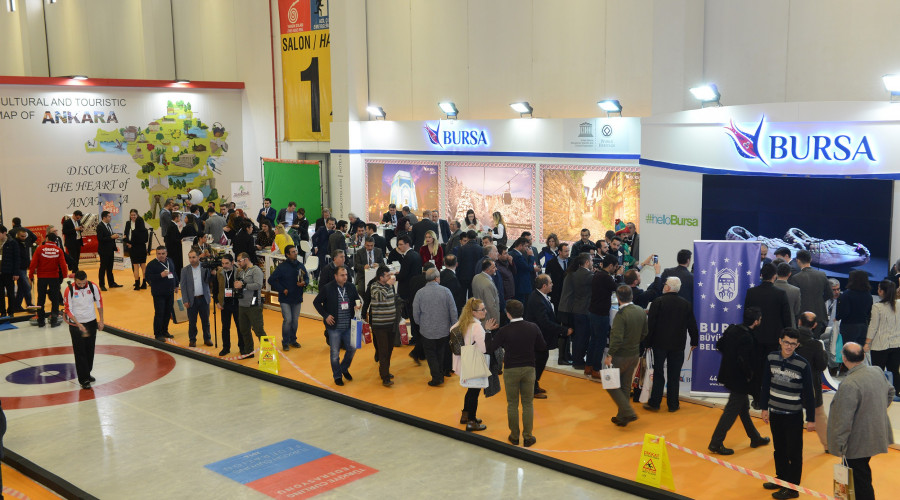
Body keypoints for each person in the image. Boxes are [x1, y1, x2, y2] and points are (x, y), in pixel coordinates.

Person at [828, 342, 896, 500]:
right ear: (863, 356)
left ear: (844, 358)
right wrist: (874, 412)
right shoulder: (876, 371)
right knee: (861, 474)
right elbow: (890, 392)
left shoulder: (849, 384)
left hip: (856, 442)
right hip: (874, 435)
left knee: (860, 480)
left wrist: (838, 446)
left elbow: (842, 420)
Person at [759, 328, 817, 500]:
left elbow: (809, 393)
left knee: (794, 452)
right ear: (780, 341)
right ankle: (781, 479)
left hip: (793, 415)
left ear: (797, 345)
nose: (789, 346)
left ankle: (792, 489)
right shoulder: (771, 358)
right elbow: (765, 384)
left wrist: (811, 418)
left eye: (793, 344)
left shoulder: (802, 364)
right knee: (779, 449)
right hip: (775, 413)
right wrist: (764, 408)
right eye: (786, 342)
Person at [708, 307, 771, 455]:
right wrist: (750, 375)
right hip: (740, 380)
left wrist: (730, 358)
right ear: (756, 322)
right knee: (730, 412)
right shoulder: (748, 337)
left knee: (743, 409)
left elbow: (720, 345)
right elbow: (744, 360)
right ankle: (715, 443)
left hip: (729, 375)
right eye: (760, 319)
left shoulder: (733, 329)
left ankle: (755, 438)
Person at [483, 299, 545, 446]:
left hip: (511, 370)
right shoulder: (533, 327)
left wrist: (488, 331)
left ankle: (515, 436)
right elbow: (542, 347)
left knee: (512, 404)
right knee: (528, 403)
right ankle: (528, 437)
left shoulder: (504, 331)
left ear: (508, 314)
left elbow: (489, 348)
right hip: (529, 369)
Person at [644, 277, 699, 412]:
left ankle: (655, 403)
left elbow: (651, 325)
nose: (663, 286)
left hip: (659, 344)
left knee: (658, 373)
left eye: (665, 284)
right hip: (678, 345)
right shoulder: (686, 304)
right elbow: (692, 324)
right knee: (674, 376)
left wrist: (647, 343)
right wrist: (694, 341)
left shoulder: (658, 302)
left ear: (668, 287)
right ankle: (673, 405)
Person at [745, 262, 793, 405]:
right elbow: (787, 318)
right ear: (775, 276)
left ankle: (757, 400)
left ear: (761, 275)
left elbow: (747, 316)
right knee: (773, 369)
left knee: (756, 368)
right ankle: (770, 398)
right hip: (774, 338)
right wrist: (788, 338)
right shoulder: (780, 293)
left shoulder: (751, 292)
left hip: (755, 337)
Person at [604, 285, 648, 426]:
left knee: (610, 384)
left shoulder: (621, 315)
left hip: (620, 356)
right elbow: (644, 332)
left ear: (618, 298)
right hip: (634, 354)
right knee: (625, 385)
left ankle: (628, 412)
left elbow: (616, 338)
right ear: (632, 296)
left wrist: (610, 354)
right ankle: (622, 417)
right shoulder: (640, 311)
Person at [452, 298, 497, 432]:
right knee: (474, 392)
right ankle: (471, 421)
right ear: (473, 312)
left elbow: (452, 329)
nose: (485, 311)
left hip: (465, 361)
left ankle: (465, 415)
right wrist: (488, 331)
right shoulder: (477, 326)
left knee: (470, 390)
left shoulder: (463, 322)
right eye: (482, 309)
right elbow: (484, 348)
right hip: (475, 362)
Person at [524, 274, 571, 398]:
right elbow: (544, 322)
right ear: (544, 286)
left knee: (541, 359)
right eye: (550, 283)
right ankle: (532, 388)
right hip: (538, 336)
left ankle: (534, 384)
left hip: (539, 336)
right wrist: (563, 330)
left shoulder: (538, 296)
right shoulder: (538, 300)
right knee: (539, 361)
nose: (552, 285)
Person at [313, 266, 360, 386]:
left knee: (352, 348)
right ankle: (337, 375)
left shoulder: (351, 287)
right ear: (335, 276)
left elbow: (357, 299)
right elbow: (316, 302)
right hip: (334, 327)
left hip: (348, 325)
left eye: (346, 275)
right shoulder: (327, 288)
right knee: (334, 354)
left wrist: (358, 305)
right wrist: (326, 315)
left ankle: (343, 368)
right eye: (342, 275)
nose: (345, 277)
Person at [413, 268, 459, 386]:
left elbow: (415, 313)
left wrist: (420, 324)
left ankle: (436, 377)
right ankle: (440, 374)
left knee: (430, 354)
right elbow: (453, 311)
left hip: (426, 330)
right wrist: (453, 325)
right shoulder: (446, 291)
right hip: (443, 329)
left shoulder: (420, 293)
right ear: (437, 278)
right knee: (440, 352)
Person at [62, 271, 104, 390]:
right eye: (79, 283)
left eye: (83, 283)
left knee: (90, 349)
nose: (81, 285)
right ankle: (83, 379)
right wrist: (78, 323)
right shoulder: (69, 290)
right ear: (75, 280)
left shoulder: (93, 287)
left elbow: (99, 303)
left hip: (91, 322)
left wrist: (101, 320)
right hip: (76, 325)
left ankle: (87, 373)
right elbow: (68, 309)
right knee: (80, 351)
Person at [795, 312, 829, 452]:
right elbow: (821, 366)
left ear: (799, 322)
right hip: (811, 385)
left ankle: (788, 444)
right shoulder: (816, 345)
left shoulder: (788, 339)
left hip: (790, 382)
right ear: (814, 325)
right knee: (819, 414)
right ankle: (828, 445)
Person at [267, 245, 307, 351]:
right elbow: (271, 280)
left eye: (296, 251)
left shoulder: (300, 265)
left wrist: (304, 283)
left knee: (295, 321)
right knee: (288, 320)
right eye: (293, 252)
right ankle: (285, 342)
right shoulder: (281, 267)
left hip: (297, 297)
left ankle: (293, 340)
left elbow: (306, 278)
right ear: (287, 254)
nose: (296, 253)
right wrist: (282, 289)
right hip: (285, 298)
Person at [559, 253, 594, 371]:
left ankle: (574, 358)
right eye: (591, 260)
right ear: (587, 262)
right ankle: (577, 360)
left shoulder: (573, 273)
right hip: (580, 310)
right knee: (581, 337)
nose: (593, 263)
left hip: (572, 309)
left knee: (577, 337)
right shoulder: (586, 274)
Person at [865, 280, 900, 397]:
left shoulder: (877, 307)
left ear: (882, 291)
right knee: (894, 371)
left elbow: (873, 327)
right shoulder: (899, 304)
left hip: (879, 345)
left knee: (877, 372)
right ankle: (895, 394)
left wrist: (867, 343)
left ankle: (877, 394)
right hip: (897, 343)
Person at [587, 254, 620, 378]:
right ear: (610, 265)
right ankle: (596, 369)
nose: (616, 269)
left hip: (593, 311)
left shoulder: (597, 274)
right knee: (600, 342)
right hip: (601, 313)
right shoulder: (606, 277)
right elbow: (618, 288)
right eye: (615, 267)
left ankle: (588, 366)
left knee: (593, 340)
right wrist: (619, 276)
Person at [212, 254, 248, 357]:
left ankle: (242, 347)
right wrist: (217, 302)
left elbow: (245, 287)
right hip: (225, 305)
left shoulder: (240, 272)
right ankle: (226, 348)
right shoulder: (219, 273)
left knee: (240, 327)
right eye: (222, 263)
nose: (224, 265)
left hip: (237, 304)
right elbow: (215, 289)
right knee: (225, 328)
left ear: (232, 263)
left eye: (227, 263)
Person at [788, 249, 831, 336]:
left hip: (802, 316)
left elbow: (794, 298)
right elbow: (829, 294)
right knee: (816, 340)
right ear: (810, 259)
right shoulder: (822, 275)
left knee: (802, 340)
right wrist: (819, 300)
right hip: (819, 314)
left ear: (798, 260)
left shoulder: (795, 278)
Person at [28, 236, 68, 328]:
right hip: (54, 277)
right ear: (55, 241)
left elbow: (33, 263)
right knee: (55, 299)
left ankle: (41, 320)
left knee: (40, 299)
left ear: (47, 240)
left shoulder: (39, 249)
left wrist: (31, 275)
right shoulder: (58, 250)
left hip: (42, 277)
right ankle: (54, 319)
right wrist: (65, 276)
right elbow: (63, 265)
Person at [368, 266, 398, 386]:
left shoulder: (389, 286)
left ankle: (384, 371)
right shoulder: (374, 286)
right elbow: (380, 297)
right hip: (380, 325)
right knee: (383, 351)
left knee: (389, 349)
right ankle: (385, 377)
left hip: (391, 324)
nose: (390, 277)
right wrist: (388, 285)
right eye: (387, 275)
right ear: (381, 277)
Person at [179, 250, 213, 347]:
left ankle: (207, 338)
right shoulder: (185, 270)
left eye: (193, 257)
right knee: (192, 322)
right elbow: (183, 286)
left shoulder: (205, 267)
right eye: (190, 257)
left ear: (198, 257)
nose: (192, 259)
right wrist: (185, 300)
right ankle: (192, 339)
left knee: (206, 321)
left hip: (204, 299)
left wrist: (212, 273)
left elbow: (209, 281)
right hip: (191, 300)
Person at [145, 246, 178, 341]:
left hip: (170, 292)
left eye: (163, 253)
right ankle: (158, 334)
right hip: (159, 293)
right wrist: (160, 275)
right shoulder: (151, 265)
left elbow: (174, 272)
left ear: (166, 253)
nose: (161, 255)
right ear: (156, 254)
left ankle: (165, 331)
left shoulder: (170, 261)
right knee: (160, 313)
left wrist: (176, 284)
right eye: (159, 254)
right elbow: (148, 278)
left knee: (167, 312)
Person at [235, 251, 266, 346]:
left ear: (246, 259)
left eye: (239, 261)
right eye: (237, 261)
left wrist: (243, 285)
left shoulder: (256, 270)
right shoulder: (241, 272)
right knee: (244, 330)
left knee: (258, 330)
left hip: (253, 304)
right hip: (242, 304)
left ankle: (267, 352)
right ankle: (248, 351)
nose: (238, 263)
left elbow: (258, 285)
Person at [836, 269, 873, 346]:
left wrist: (837, 318)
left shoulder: (847, 294)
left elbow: (844, 312)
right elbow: (869, 312)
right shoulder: (868, 295)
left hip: (849, 326)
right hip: (863, 326)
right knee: (859, 349)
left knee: (848, 349)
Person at [96, 210, 122, 290]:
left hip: (110, 249)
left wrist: (114, 236)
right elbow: (100, 239)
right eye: (109, 216)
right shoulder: (100, 226)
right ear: (104, 217)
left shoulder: (108, 225)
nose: (110, 218)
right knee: (103, 268)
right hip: (104, 250)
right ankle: (102, 285)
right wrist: (111, 237)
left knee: (110, 268)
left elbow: (109, 236)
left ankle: (111, 283)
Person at [124, 209, 149, 290]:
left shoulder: (134, 232)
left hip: (134, 248)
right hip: (142, 248)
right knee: (143, 266)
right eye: (131, 215)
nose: (133, 216)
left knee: (136, 267)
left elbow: (129, 239)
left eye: (134, 215)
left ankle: (137, 284)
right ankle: (144, 283)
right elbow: (146, 240)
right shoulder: (145, 230)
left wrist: (127, 241)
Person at [472, 258, 500, 329]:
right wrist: (496, 321)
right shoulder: (488, 284)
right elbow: (491, 305)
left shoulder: (476, 277)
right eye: (494, 267)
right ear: (487, 270)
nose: (496, 269)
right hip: (488, 320)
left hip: (478, 317)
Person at [508, 237, 535, 303]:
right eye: (525, 246)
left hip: (519, 285)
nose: (527, 248)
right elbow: (528, 268)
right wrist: (531, 256)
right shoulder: (517, 256)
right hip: (521, 286)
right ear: (520, 245)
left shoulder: (514, 253)